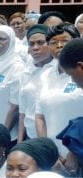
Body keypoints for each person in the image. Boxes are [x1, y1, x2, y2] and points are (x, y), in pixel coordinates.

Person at [35, 22, 82, 159]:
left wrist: (73, 153)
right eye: (53, 42)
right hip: (53, 153)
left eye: (65, 41)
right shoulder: (45, 75)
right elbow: (39, 117)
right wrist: (49, 152)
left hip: (78, 150)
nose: (59, 46)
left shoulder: (79, 72)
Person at [18, 24, 54, 142]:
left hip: (55, 137)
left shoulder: (60, 70)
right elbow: (23, 111)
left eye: (40, 42)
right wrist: (19, 142)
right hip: (31, 137)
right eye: (31, 44)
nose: (35, 47)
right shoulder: (26, 72)